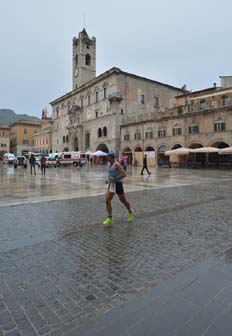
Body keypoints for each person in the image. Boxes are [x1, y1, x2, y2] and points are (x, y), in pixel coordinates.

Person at [102, 150, 134, 225]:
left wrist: (115, 178)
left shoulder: (117, 165)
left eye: (109, 157)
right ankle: (109, 218)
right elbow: (111, 174)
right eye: (107, 157)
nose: (108, 158)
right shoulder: (109, 164)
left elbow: (124, 174)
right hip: (112, 184)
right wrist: (108, 180)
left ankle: (130, 211)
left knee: (123, 200)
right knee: (107, 200)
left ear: (112, 158)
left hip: (118, 184)